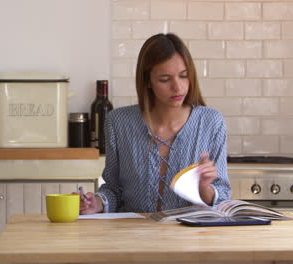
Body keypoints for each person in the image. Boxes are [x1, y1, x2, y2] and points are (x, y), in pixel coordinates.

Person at [80, 33, 231, 214]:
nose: (178, 87)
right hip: (132, 236)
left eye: (184, 76)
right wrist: (96, 203)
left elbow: (222, 198)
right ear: (148, 81)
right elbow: (113, 190)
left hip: (189, 239)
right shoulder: (118, 122)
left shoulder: (211, 122)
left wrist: (204, 188)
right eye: (165, 79)